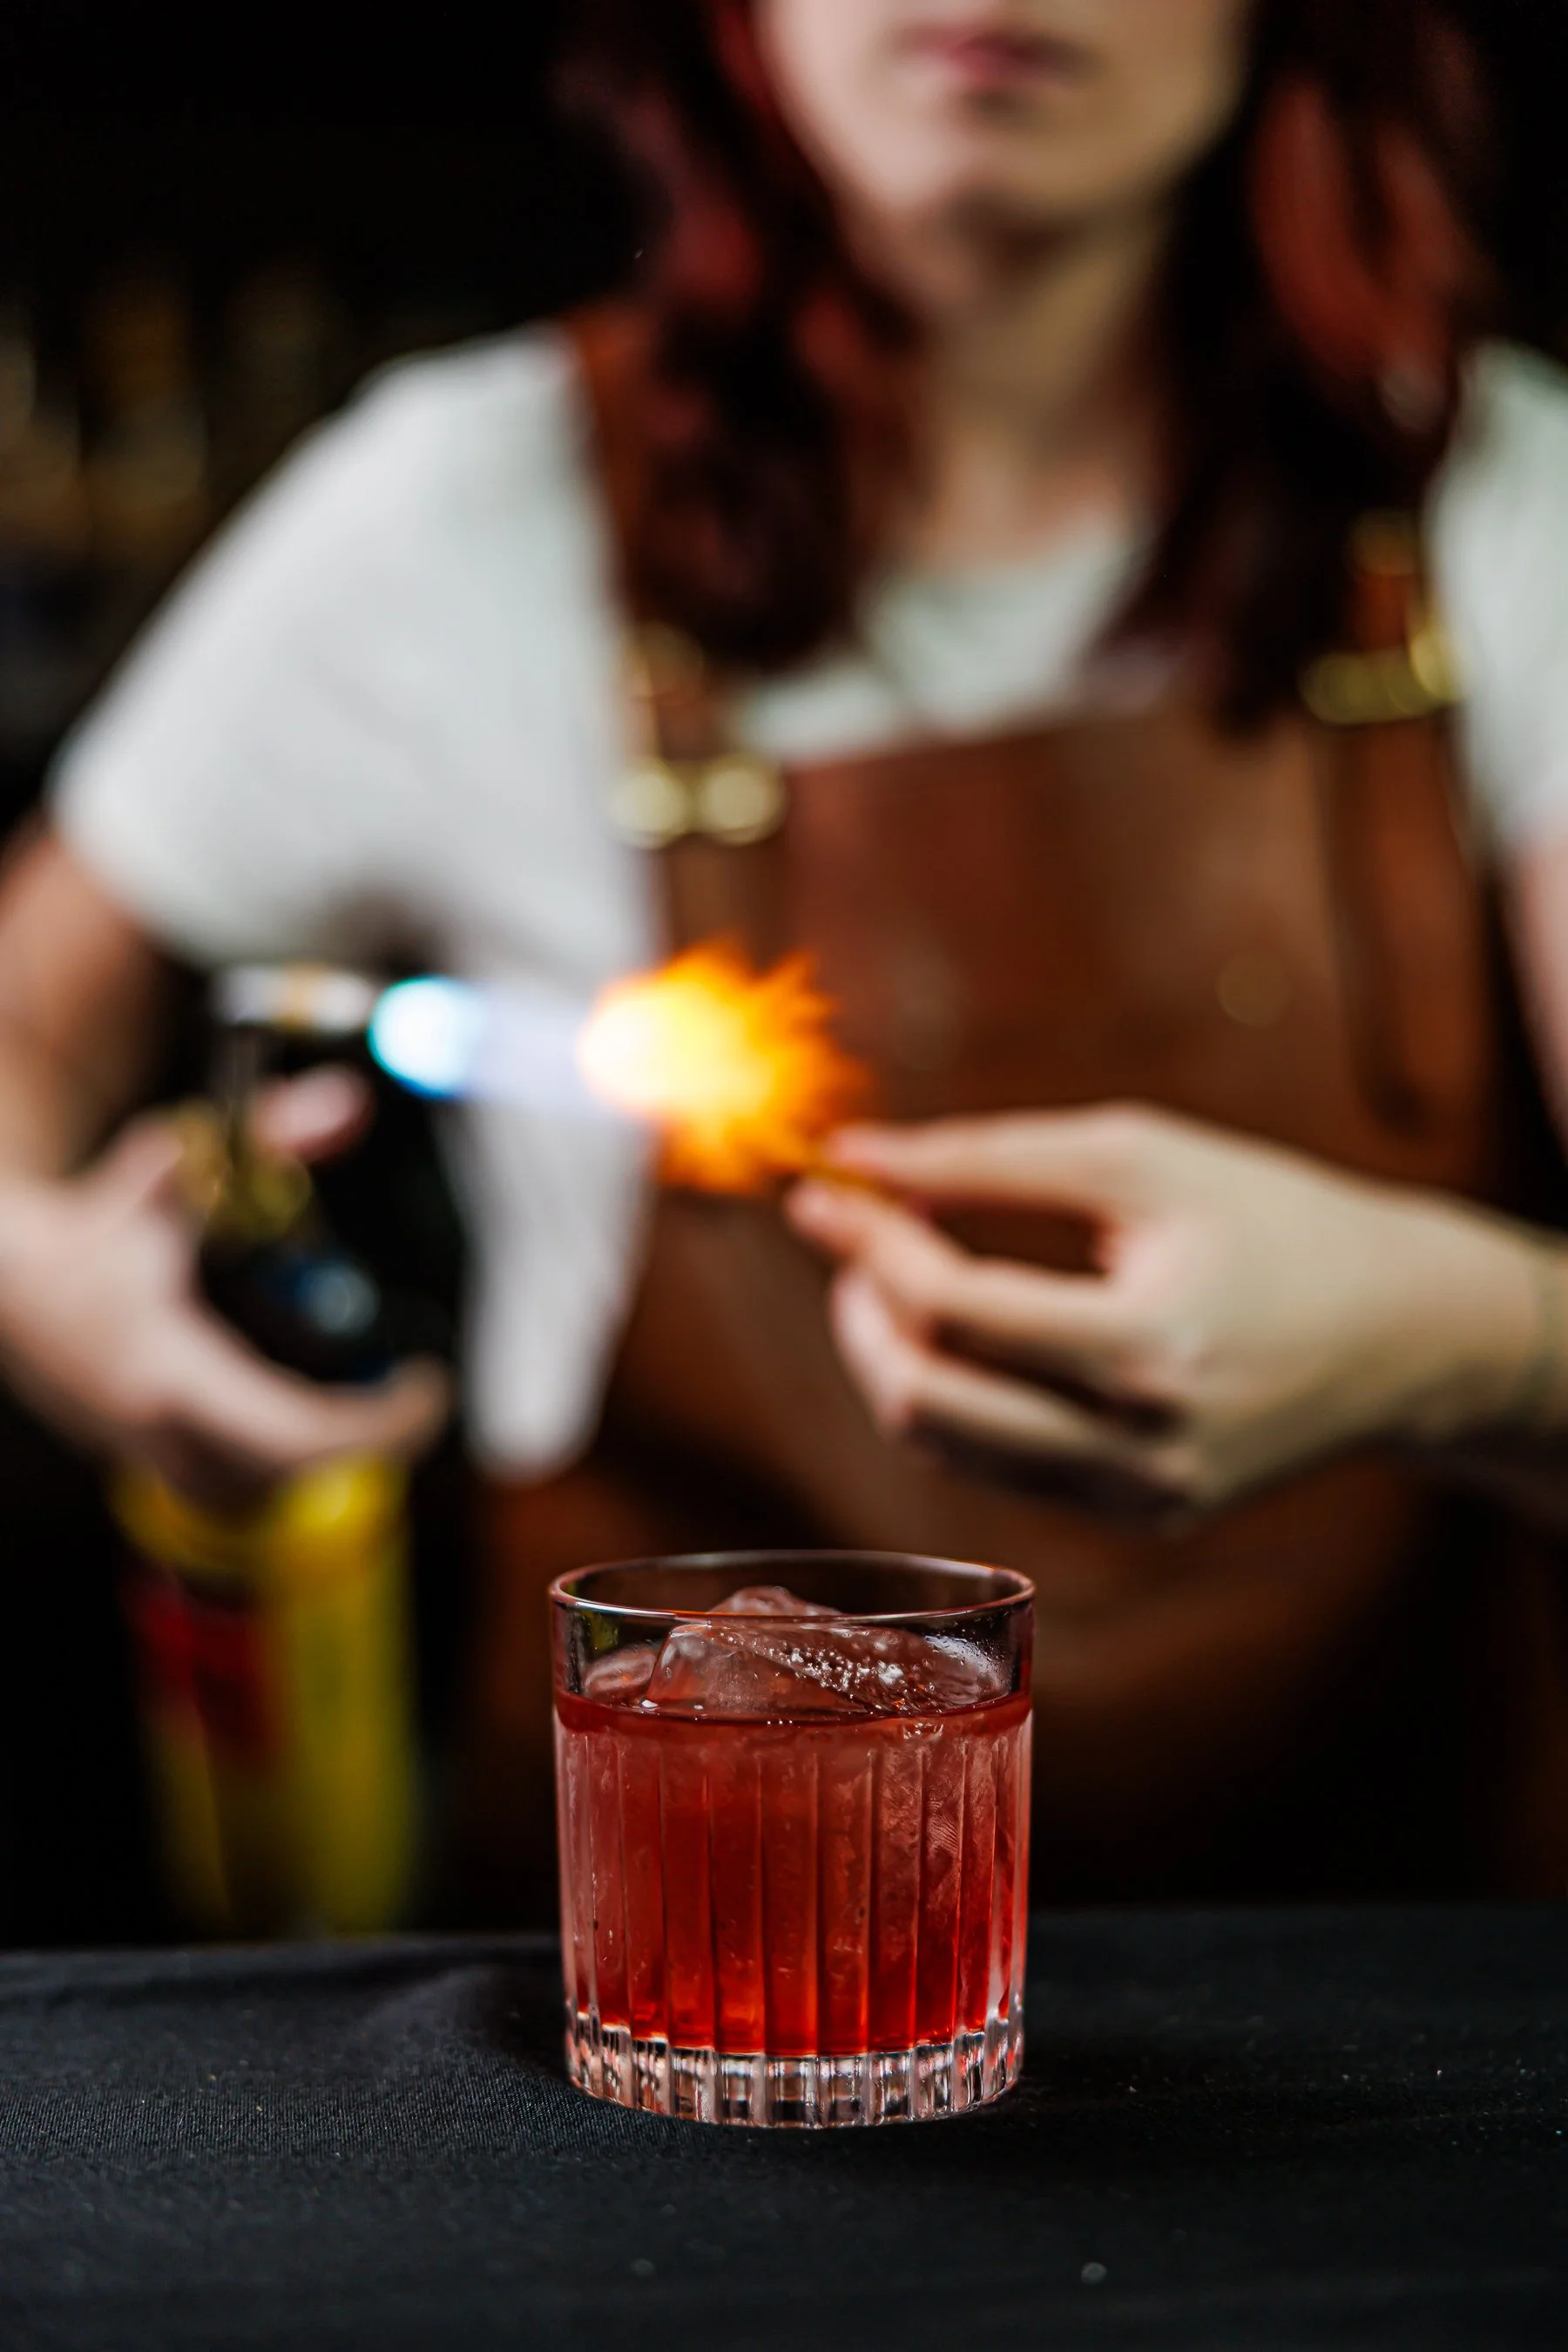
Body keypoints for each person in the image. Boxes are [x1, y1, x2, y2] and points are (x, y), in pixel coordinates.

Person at [3, 0, 1568, 1915]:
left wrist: (1469, 1348)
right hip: (680, 2007)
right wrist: (50, 1287)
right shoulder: (459, 519)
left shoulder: (1505, 508)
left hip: (1387, 2017)